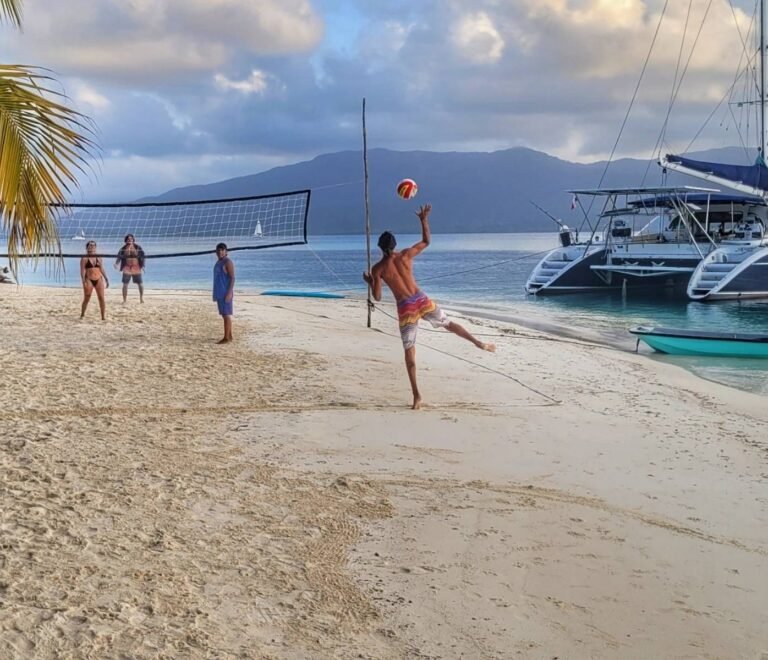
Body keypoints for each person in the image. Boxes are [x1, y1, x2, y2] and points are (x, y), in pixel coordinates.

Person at [363, 204, 495, 410]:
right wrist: (423, 220)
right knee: (448, 323)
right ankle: (477, 342)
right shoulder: (405, 255)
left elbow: (378, 297)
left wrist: (371, 281)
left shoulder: (378, 269)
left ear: (380, 248)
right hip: (420, 298)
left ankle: (416, 395)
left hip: (406, 307)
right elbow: (426, 241)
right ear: (395, 244)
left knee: (409, 351)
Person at [80, 240, 109, 320]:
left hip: (99, 279)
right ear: (87, 247)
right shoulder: (84, 258)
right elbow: (82, 270)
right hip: (89, 279)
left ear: (95, 247)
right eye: (90, 245)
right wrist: (83, 281)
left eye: (93, 245)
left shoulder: (99, 257)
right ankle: (82, 314)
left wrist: (106, 278)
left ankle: (103, 317)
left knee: (101, 298)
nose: (91, 247)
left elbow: (102, 268)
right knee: (87, 298)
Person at [212, 242, 235, 343]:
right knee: (223, 314)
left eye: (222, 250)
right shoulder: (218, 262)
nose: (220, 252)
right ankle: (229, 336)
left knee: (226, 315)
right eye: (218, 250)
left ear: (226, 252)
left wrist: (229, 293)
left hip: (225, 292)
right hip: (219, 292)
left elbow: (232, 278)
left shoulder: (228, 262)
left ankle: (226, 338)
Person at [115, 234, 146, 303]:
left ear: (133, 240)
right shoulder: (123, 248)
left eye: (131, 239)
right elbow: (119, 257)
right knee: (125, 284)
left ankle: (141, 298)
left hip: (136, 267)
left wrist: (143, 266)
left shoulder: (137, 247)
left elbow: (143, 256)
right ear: (126, 240)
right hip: (127, 267)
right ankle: (124, 300)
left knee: (140, 283)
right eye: (128, 239)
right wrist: (116, 264)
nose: (130, 240)